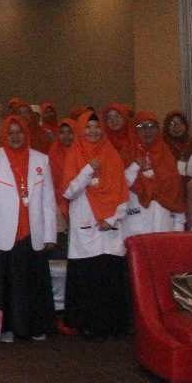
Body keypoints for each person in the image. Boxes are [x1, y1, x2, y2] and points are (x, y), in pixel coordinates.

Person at [0, 117, 58, 342]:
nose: (15, 137)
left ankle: (34, 327)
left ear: (27, 133)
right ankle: (5, 329)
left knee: (32, 282)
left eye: (19, 132)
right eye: (10, 132)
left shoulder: (41, 160)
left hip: (33, 232)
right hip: (2, 232)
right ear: (4, 135)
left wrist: (50, 233)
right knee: (2, 284)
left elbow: (48, 200)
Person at [63, 110, 130, 340]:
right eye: (88, 127)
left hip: (109, 227)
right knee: (89, 277)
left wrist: (111, 220)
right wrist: (88, 169)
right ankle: (88, 325)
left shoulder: (111, 153)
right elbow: (68, 191)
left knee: (109, 276)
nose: (93, 131)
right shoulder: (74, 154)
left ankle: (112, 326)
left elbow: (122, 192)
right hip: (85, 224)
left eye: (96, 127)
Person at [121, 112, 186, 235]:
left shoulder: (166, 155)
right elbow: (119, 186)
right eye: (142, 126)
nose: (147, 130)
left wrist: (179, 229)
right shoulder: (127, 153)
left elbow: (176, 191)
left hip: (163, 224)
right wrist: (134, 166)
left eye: (152, 126)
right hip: (135, 224)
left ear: (158, 129)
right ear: (134, 129)